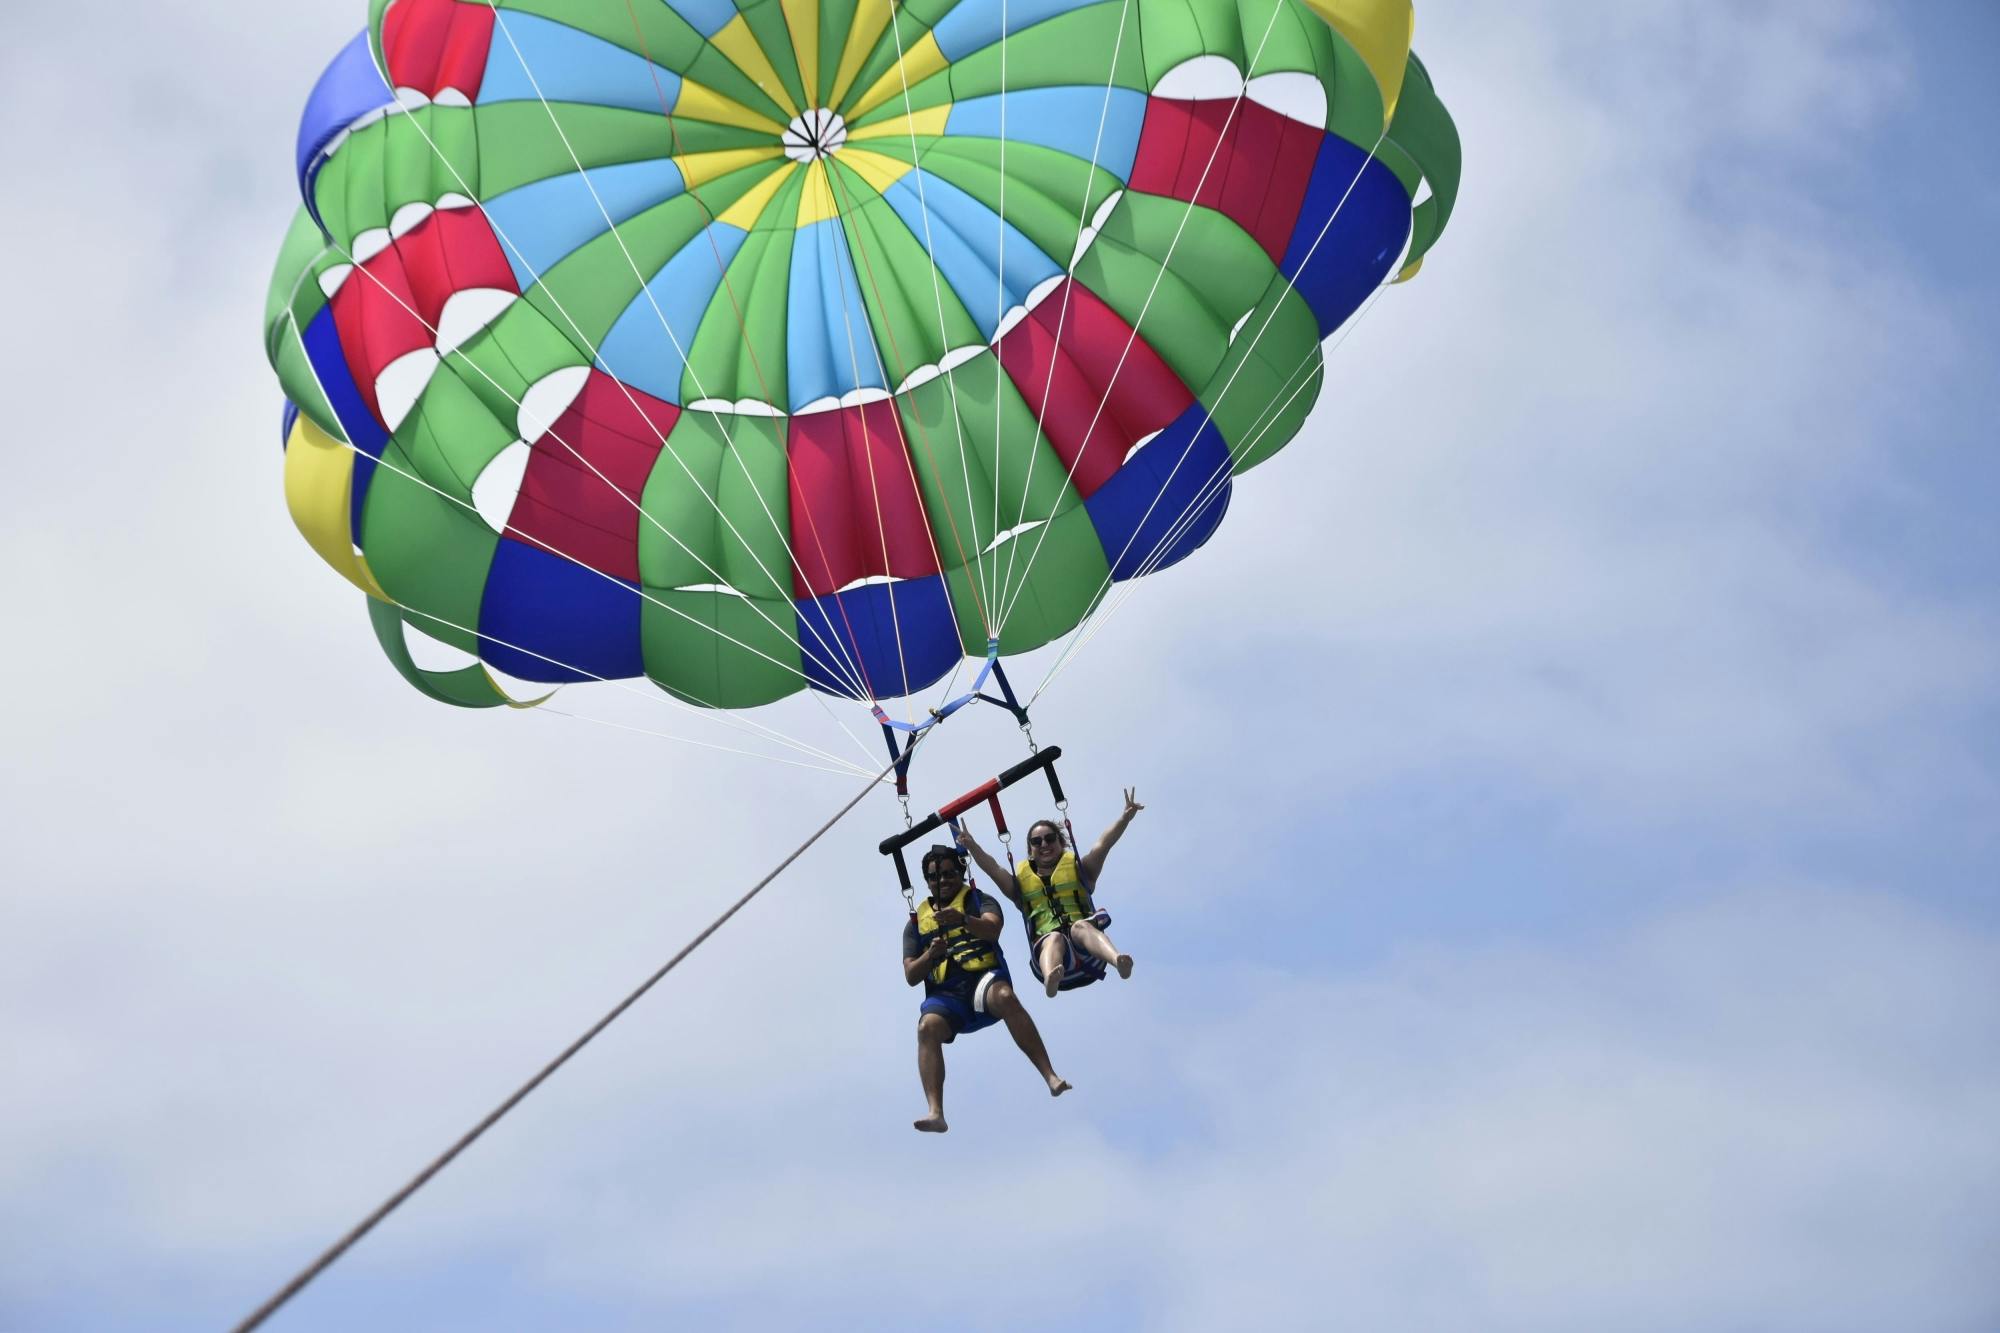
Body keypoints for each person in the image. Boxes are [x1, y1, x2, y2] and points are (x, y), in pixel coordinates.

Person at [905, 844, 1070, 1133]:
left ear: (959, 873)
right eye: (934, 877)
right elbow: (910, 974)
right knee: (925, 1028)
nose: (942, 881)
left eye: (948, 874)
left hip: (984, 982)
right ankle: (936, 1112)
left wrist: (964, 920)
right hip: (946, 998)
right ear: (927, 881)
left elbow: (993, 929)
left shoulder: (979, 900)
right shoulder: (916, 924)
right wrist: (930, 955)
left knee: (1006, 997)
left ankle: (1050, 1075)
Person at [959, 788, 1144, 999]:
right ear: (1030, 850)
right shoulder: (1019, 885)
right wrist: (972, 846)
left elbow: (1103, 845)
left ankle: (1117, 960)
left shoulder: (1081, 871)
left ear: (1061, 843)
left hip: (1089, 953)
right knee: (1054, 937)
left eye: (1049, 839)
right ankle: (1050, 979)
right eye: (1036, 842)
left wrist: (1124, 818)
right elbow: (993, 868)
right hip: (1050, 959)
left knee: (1080, 926)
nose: (1044, 844)